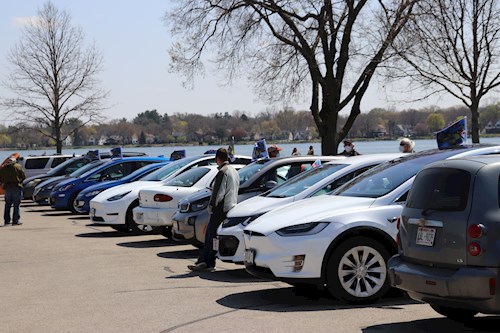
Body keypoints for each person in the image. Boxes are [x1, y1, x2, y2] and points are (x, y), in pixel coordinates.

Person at [188, 148, 239, 271]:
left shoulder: (222, 172)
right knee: (215, 236)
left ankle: (206, 261)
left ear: (217, 158)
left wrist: (211, 206)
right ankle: (208, 261)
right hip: (231, 206)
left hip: (220, 208)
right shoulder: (234, 171)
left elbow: (218, 193)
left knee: (210, 235)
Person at [0, 157, 26, 226]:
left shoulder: (4, 168)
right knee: (16, 205)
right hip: (16, 187)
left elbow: (1, 178)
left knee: (7, 205)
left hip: (7, 188)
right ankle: (15, 220)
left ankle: (7, 221)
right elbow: (23, 176)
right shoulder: (18, 166)